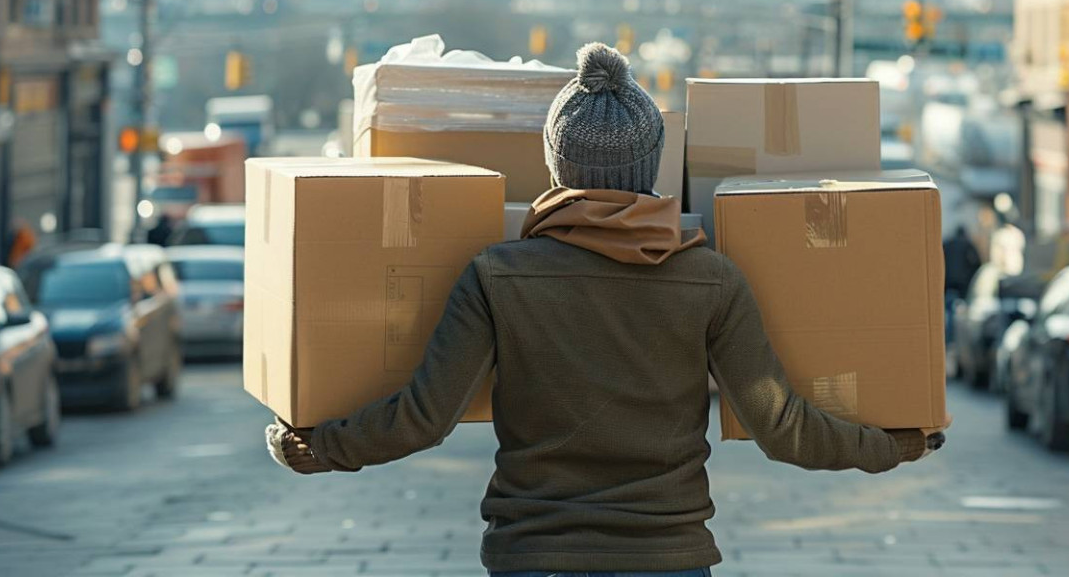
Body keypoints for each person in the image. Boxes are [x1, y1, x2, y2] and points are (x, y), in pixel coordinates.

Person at [265, 43, 946, 576]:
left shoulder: (496, 277)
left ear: (555, 167)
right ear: (651, 169)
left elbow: (422, 416)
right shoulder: (711, 279)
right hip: (669, 560)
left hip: (534, 559)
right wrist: (893, 445)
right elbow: (782, 425)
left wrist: (316, 447)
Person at [942, 223, 982, 296]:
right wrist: (970, 274)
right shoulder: (967, 244)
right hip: (963, 282)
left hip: (947, 280)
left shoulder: (947, 243)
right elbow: (977, 262)